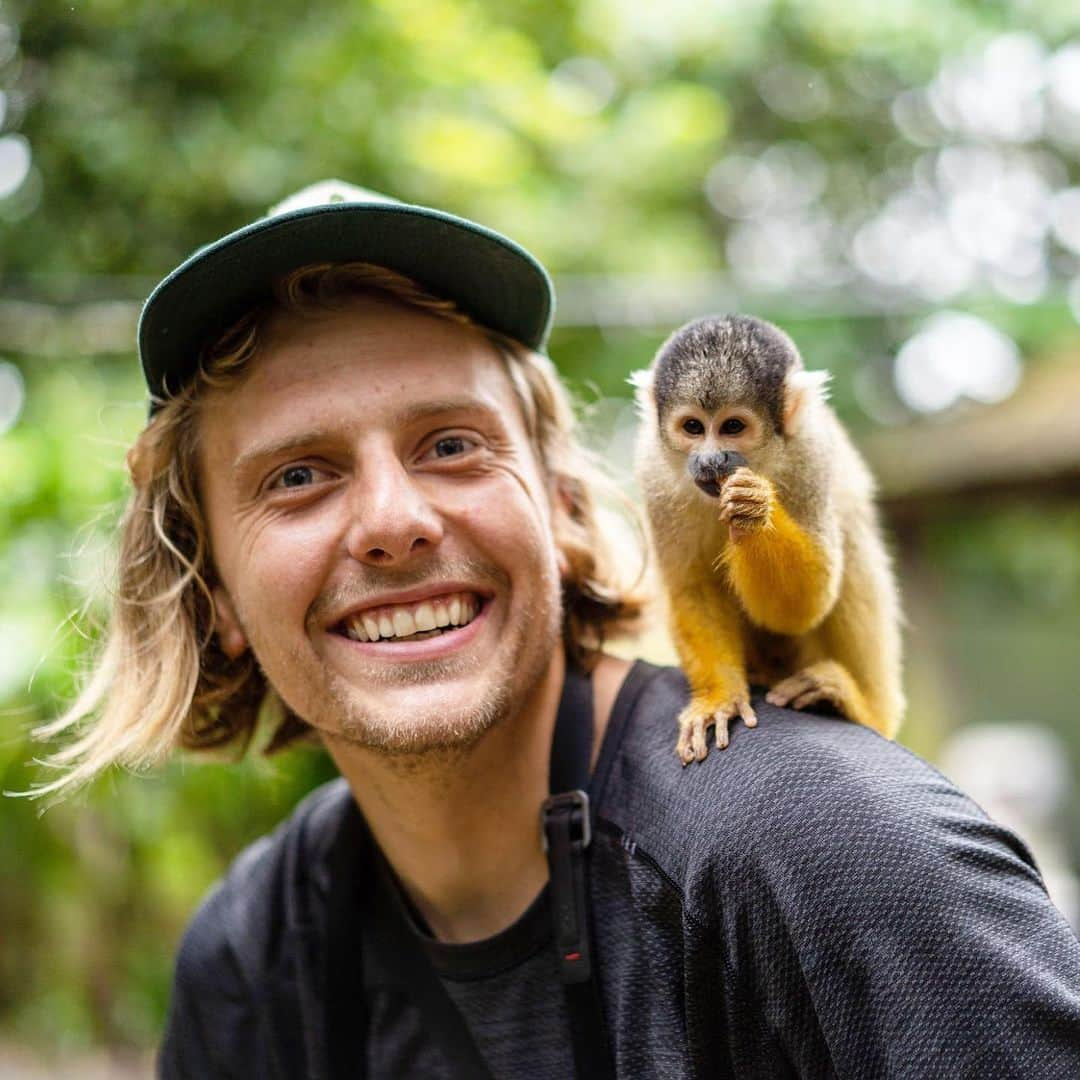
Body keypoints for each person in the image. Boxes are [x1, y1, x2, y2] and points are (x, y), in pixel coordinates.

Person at [40, 182, 1080, 1078]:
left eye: (451, 443)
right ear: (213, 591)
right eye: (297, 476)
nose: (396, 522)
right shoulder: (254, 960)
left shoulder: (828, 855)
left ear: (565, 511)